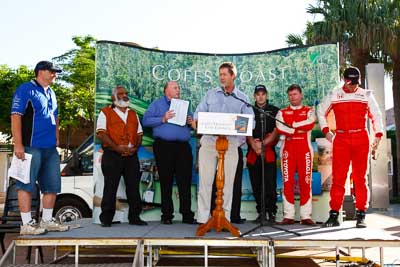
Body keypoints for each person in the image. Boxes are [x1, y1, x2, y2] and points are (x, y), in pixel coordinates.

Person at [317, 67, 383, 228]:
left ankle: (361, 214)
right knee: (339, 178)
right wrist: (326, 131)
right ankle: (334, 215)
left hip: (361, 137)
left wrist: (378, 135)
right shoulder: (335, 94)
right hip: (341, 138)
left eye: (356, 83)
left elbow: (377, 115)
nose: (354, 86)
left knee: (360, 178)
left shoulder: (366, 94)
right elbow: (320, 110)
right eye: (351, 83)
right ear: (345, 80)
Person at [11, 60, 69, 235]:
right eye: (52, 71)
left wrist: (57, 137)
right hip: (30, 146)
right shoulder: (25, 89)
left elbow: (56, 116)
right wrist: (18, 144)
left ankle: (47, 220)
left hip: (50, 148)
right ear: (40, 71)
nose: (55, 75)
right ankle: (27, 223)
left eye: (56, 72)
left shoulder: (51, 92)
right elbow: (15, 116)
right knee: (26, 184)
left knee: (52, 185)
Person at [194, 62, 254, 224]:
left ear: (233, 76)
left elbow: (251, 123)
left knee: (228, 184)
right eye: (220, 74)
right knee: (205, 182)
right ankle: (202, 218)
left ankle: (225, 218)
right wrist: (197, 121)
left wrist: (233, 131)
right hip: (209, 142)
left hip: (231, 144)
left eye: (224, 74)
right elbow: (198, 113)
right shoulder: (210, 94)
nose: (221, 77)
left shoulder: (242, 98)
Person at [142, 81, 196, 225]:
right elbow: (145, 121)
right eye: (175, 88)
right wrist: (163, 118)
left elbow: (191, 124)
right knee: (166, 181)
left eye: (179, 87)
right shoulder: (157, 104)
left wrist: (190, 121)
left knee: (184, 181)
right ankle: (166, 215)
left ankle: (187, 214)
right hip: (164, 146)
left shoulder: (184, 105)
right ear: (166, 90)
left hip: (183, 147)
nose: (178, 90)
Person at [96, 85, 147, 227]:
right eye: (120, 93)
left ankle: (135, 217)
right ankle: (106, 219)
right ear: (113, 97)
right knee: (110, 187)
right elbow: (101, 134)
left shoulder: (133, 113)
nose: (124, 95)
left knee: (133, 187)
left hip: (131, 156)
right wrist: (117, 148)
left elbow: (139, 134)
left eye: (126, 93)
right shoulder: (105, 112)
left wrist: (135, 148)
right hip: (112, 155)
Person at [275, 84, 316, 225]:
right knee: (287, 182)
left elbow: (310, 124)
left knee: (306, 182)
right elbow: (280, 127)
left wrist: (291, 126)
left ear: (301, 95)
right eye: (290, 95)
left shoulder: (309, 110)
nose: (293, 97)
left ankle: (305, 216)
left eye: (295, 94)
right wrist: (297, 129)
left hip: (305, 150)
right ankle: (289, 216)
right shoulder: (282, 112)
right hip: (288, 150)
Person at [246, 85, 279, 224]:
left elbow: (277, 130)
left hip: (269, 150)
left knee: (270, 183)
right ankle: (261, 212)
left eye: (263, 94)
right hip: (253, 150)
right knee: (256, 183)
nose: (260, 97)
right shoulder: (247, 109)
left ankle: (271, 212)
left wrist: (264, 144)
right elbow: (244, 129)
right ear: (254, 96)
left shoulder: (275, 111)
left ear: (266, 95)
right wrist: (254, 144)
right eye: (258, 94)